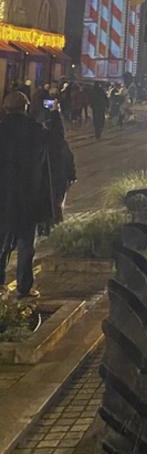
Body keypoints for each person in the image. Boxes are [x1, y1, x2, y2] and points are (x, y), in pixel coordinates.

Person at [0, 91, 49, 299]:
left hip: (2, 197)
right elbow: (44, 167)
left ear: (5, 108)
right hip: (28, 197)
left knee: (1, 243)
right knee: (26, 244)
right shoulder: (37, 131)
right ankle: (24, 287)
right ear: (25, 107)